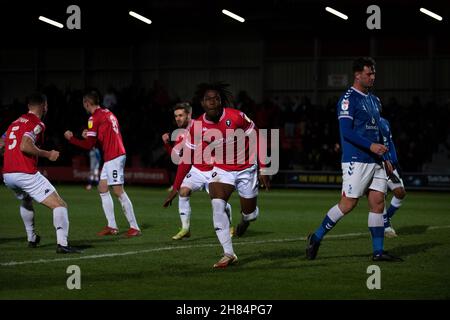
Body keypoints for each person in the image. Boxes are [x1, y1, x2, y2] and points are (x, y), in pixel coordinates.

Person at [305, 57, 402, 262]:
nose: (372, 77)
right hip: (356, 160)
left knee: (377, 204)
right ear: (357, 75)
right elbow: (345, 132)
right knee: (348, 204)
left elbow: (378, 132)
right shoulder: (348, 99)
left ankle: (378, 252)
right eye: (369, 73)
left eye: (374, 73)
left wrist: (384, 156)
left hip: (376, 160)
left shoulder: (374, 100)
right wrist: (371, 147)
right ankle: (316, 237)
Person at [164, 82, 270, 269]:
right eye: (208, 99)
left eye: (216, 98)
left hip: (246, 169)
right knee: (217, 204)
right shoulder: (197, 127)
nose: (212, 101)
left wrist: (263, 167)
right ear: (202, 103)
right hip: (222, 169)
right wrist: (176, 186)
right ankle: (228, 254)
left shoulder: (236, 117)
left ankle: (246, 219)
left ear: (221, 101)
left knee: (250, 214)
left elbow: (257, 136)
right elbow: (187, 159)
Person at [2, 93, 78, 253]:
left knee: (26, 200)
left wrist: (9, 155)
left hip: (8, 175)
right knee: (60, 205)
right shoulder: (37, 123)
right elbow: (25, 145)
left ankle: (32, 238)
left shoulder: (14, 123)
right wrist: (48, 154)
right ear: (44, 105)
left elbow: (1, 143)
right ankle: (63, 245)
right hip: (25, 173)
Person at [64, 90, 141, 238]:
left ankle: (134, 227)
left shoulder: (93, 118)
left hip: (114, 155)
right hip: (113, 154)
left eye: (84, 104)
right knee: (102, 187)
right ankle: (112, 226)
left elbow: (89, 145)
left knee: (118, 191)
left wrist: (71, 138)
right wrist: (92, 134)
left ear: (87, 103)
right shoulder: (107, 113)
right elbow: (104, 135)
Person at [162, 102, 233, 240]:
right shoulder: (181, 134)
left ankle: (229, 225)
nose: (178, 118)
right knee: (184, 191)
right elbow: (179, 158)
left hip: (214, 169)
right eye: (176, 116)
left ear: (189, 115)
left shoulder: (201, 126)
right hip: (197, 170)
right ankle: (185, 228)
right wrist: (167, 145)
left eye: (181, 115)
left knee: (218, 201)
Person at [379, 117, 406, 238]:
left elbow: (390, 143)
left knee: (400, 193)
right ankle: (386, 226)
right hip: (377, 164)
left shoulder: (385, 122)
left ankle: (386, 217)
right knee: (380, 196)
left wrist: (395, 161)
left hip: (390, 164)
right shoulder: (365, 121)